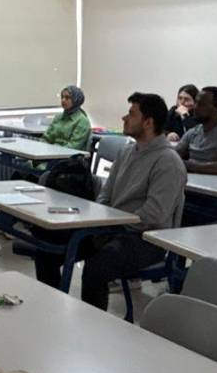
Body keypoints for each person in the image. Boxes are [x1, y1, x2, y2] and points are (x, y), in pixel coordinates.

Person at [34, 92, 186, 309]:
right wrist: (102, 220)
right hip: (113, 227)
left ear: (148, 122)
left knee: (97, 268)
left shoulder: (168, 162)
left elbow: (154, 215)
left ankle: (94, 324)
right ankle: (51, 309)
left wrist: (113, 223)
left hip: (145, 239)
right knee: (47, 249)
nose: (124, 118)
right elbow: (106, 193)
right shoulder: (127, 151)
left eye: (131, 114)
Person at [174, 86, 217, 175]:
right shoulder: (192, 132)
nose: (195, 107)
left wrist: (187, 164)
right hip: (190, 180)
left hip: (214, 183)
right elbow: (173, 156)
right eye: (196, 102)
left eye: (201, 104)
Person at [42, 85, 92, 150]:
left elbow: (73, 147)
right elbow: (47, 139)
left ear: (76, 100)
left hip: (68, 155)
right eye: (62, 97)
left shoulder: (82, 121)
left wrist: (52, 151)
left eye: (67, 98)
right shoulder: (58, 117)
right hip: (52, 152)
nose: (63, 100)